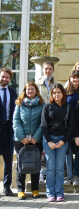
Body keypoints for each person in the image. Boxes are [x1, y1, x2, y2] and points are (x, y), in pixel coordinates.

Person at [41, 84, 74, 202]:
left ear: (63, 94)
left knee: (60, 168)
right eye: (54, 93)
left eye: (59, 92)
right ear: (52, 94)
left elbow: (71, 127)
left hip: (62, 140)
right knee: (50, 168)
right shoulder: (47, 107)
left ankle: (59, 192)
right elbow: (44, 126)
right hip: (49, 139)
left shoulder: (68, 107)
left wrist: (64, 141)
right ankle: (50, 192)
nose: (56, 95)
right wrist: (49, 141)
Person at [13, 81, 45, 200]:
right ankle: (20, 190)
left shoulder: (42, 105)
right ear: (25, 91)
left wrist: (35, 138)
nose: (30, 91)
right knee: (21, 164)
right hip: (20, 140)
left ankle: (35, 189)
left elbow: (43, 123)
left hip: (36, 140)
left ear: (36, 90)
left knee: (35, 163)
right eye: (28, 89)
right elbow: (16, 122)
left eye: (32, 89)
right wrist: (23, 137)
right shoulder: (19, 104)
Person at [64, 70, 79, 186]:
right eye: (73, 78)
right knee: (68, 152)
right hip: (67, 125)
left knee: (78, 152)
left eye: (78, 78)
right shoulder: (66, 91)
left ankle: (76, 175)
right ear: (70, 78)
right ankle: (69, 176)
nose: (75, 80)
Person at [0, 68, 17, 196]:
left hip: (9, 129)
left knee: (8, 160)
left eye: (7, 77)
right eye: (2, 76)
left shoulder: (13, 92)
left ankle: (7, 187)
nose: (4, 79)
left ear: (9, 79)